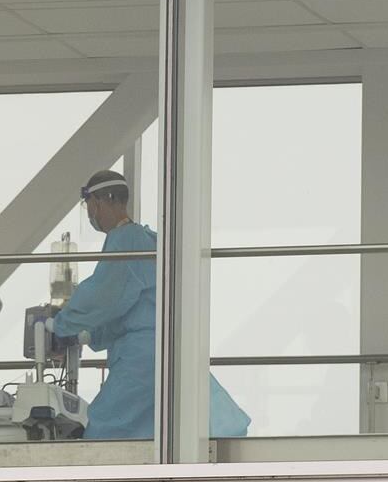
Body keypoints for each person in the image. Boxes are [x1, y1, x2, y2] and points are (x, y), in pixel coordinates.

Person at [48, 170, 250, 439]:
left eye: (89, 206)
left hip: (142, 360)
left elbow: (104, 295)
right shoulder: (149, 238)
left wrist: (60, 324)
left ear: (98, 202)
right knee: (169, 431)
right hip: (167, 350)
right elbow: (129, 306)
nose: (90, 215)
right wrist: (89, 334)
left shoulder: (126, 239)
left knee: (104, 431)